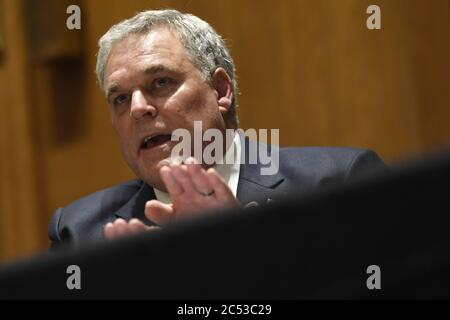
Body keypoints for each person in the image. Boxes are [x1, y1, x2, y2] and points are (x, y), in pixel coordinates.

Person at [48, 9, 387, 248]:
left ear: (221, 90)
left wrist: (241, 252)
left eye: (161, 82)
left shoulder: (338, 184)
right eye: (120, 98)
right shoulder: (80, 232)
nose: (137, 108)